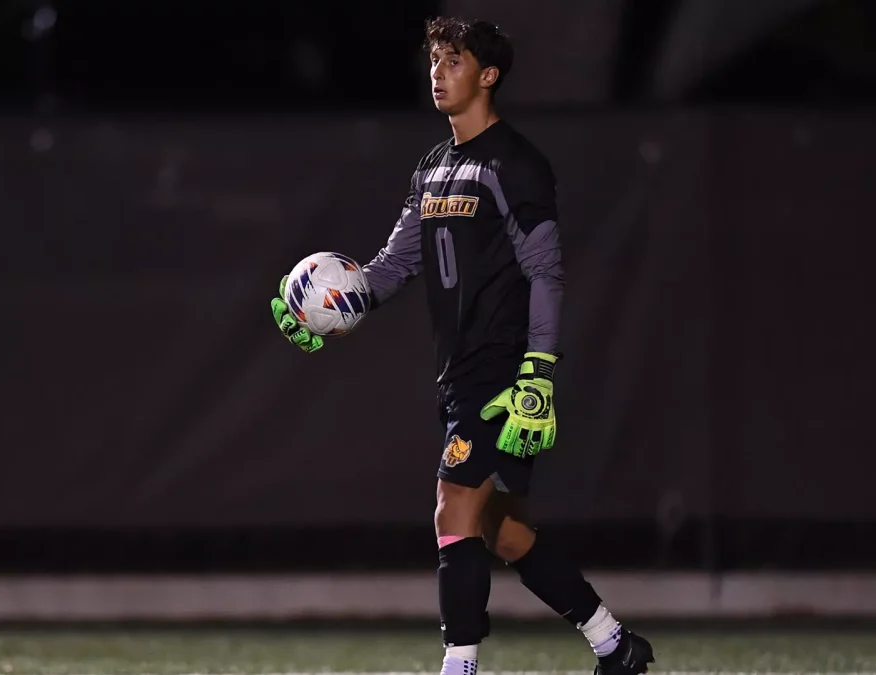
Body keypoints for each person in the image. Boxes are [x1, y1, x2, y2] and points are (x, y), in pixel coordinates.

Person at [270, 15, 655, 675]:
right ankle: (615, 643)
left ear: (488, 74)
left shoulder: (516, 164)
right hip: (459, 371)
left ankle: (460, 665)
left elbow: (545, 272)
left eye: (454, 61)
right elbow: (394, 264)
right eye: (434, 61)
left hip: (501, 368)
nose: (438, 74)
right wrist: (334, 305)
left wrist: (538, 371)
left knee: (453, 508)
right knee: (502, 529)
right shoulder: (434, 168)